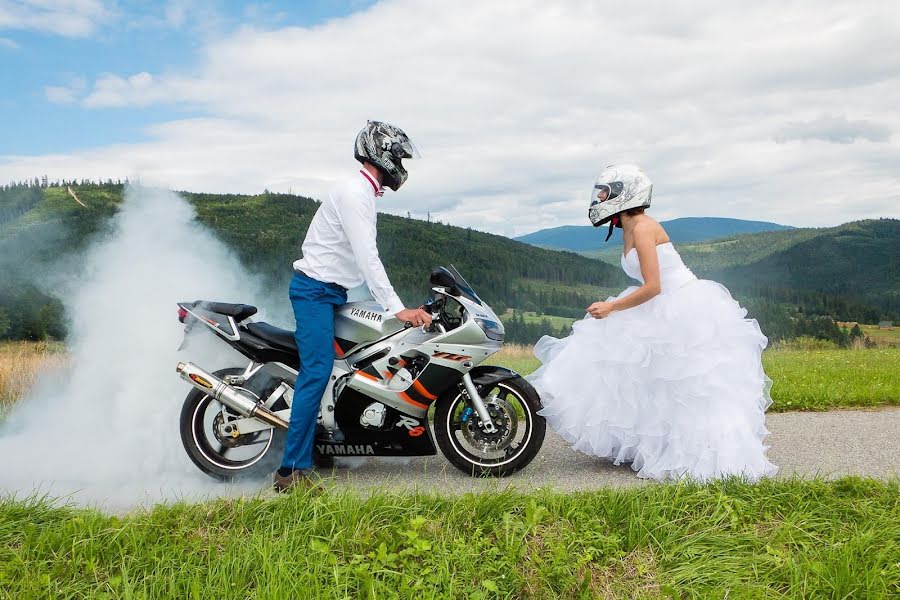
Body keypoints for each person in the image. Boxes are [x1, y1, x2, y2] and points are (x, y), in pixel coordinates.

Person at [528, 164, 777, 481]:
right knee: (639, 375)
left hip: (680, 306)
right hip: (660, 304)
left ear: (624, 194)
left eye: (605, 192)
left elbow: (653, 286)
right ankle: (645, 441)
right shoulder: (630, 227)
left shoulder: (644, 228)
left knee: (684, 385)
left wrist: (612, 306)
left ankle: (705, 453)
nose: (600, 197)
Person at [275, 121, 433, 492]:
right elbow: (367, 257)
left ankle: (336, 438)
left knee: (357, 359)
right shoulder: (353, 192)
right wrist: (396, 308)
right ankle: (290, 471)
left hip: (332, 294)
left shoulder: (363, 192)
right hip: (313, 293)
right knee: (316, 371)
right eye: (398, 155)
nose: (401, 163)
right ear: (383, 154)